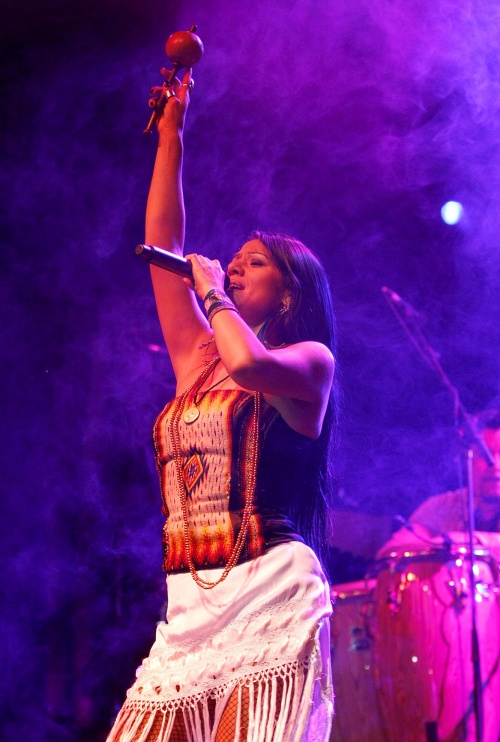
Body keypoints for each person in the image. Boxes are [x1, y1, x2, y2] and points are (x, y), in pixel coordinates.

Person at [107, 69, 337, 742]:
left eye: (254, 263)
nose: (234, 266)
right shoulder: (197, 358)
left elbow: (248, 365)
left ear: (289, 294)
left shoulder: (309, 361)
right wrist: (172, 133)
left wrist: (212, 294)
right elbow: (164, 245)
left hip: (272, 595)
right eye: (233, 260)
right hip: (188, 607)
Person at [378, 409, 500, 556]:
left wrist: (463, 540)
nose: (495, 465)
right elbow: (389, 553)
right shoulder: (443, 506)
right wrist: (450, 543)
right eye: (483, 454)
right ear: (465, 459)